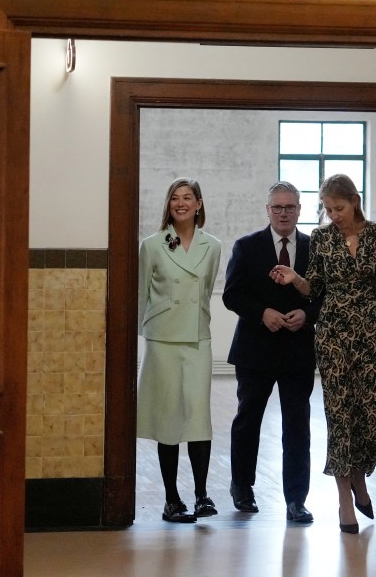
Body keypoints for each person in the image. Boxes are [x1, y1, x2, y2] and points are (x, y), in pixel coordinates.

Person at [270, 173, 376, 534]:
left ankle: (360, 477)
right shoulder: (322, 238)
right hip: (332, 335)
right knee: (341, 415)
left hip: (372, 334)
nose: (334, 215)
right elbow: (313, 288)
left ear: (355, 201)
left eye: (339, 208)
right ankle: (346, 499)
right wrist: (294, 278)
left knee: (374, 415)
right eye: (328, 209)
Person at [222, 181, 320, 524]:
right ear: (267, 210)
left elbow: (323, 296)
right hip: (255, 349)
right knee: (248, 420)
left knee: (298, 425)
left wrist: (306, 315)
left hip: (297, 351)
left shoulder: (313, 247)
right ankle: (243, 488)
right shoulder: (247, 246)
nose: (283, 213)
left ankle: (296, 499)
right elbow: (232, 295)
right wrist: (262, 313)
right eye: (277, 207)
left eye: (289, 207)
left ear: (299, 210)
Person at [137, 178, 223, 523]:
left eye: (188, 197)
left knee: (199, 417)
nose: (181, 203)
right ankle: (172, 499)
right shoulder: (153, 245)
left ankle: (202, 495)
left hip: (197, 338)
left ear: (199, 204)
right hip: (162, 339)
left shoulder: (212, 246)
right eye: (175, 198)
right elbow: (141, 293)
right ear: (168, 205)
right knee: (168, 419)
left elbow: (204, 293)